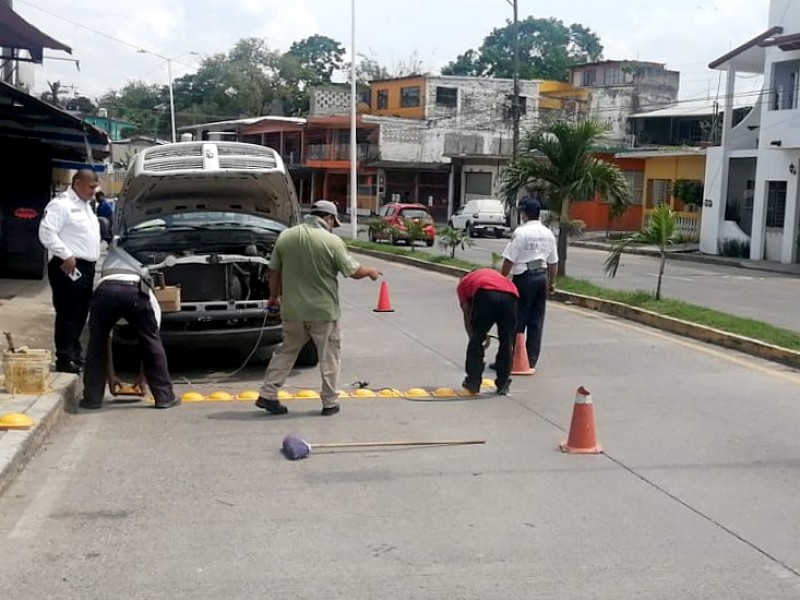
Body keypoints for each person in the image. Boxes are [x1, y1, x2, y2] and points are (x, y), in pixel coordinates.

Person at [255, 200, 382, 417]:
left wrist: (273, 298)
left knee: (286, 352)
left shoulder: (286, 236)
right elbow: (352, 271)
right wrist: (370, 271)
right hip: (323, 312)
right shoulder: (331, 241)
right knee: (329, 356)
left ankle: (267, 394)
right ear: (328, 218)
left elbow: (273, 271)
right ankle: (330, 402)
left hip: (293, 311)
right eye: (334, 222)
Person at [79, 251, 178, 410]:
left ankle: (92, 399)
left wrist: (110, 376)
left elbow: (105, 341)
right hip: (135, 292)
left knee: (96, 344)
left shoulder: (110, 259)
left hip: (105, 292)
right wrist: (142, 377)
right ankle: (164, 397)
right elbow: (152, 343)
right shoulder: (147, 289)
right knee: (151, 341)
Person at [38, 169, 102, 373]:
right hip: (68, 266)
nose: (94, 191)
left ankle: (75, 353)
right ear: (77, 183)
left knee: (81, 312)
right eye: (91, 186)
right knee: (68, 312)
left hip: (86, 267)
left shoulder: (86, 206)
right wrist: (65, 253)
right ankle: (64, 358)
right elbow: (46, 232)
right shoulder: (61, 204)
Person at [498, 198, 558, 373]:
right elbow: (553, 262)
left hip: (524, 278)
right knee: (536, 320)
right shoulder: (548, 233)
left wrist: (502, 279)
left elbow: (509, 259)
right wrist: (552, 283)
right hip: (541, 277)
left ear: (524, 213)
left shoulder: (521, 232)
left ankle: (512, 359)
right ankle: (530, 360)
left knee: (518, 318)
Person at [456, 268, 518, 396]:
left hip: (486, 293)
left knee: (476, 340)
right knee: (506, 341)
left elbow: (467, 313)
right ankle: (503, 383)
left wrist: (474, 335)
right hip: (511, 295)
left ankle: (473, 382)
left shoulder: (463, 284)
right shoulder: (491, 274)